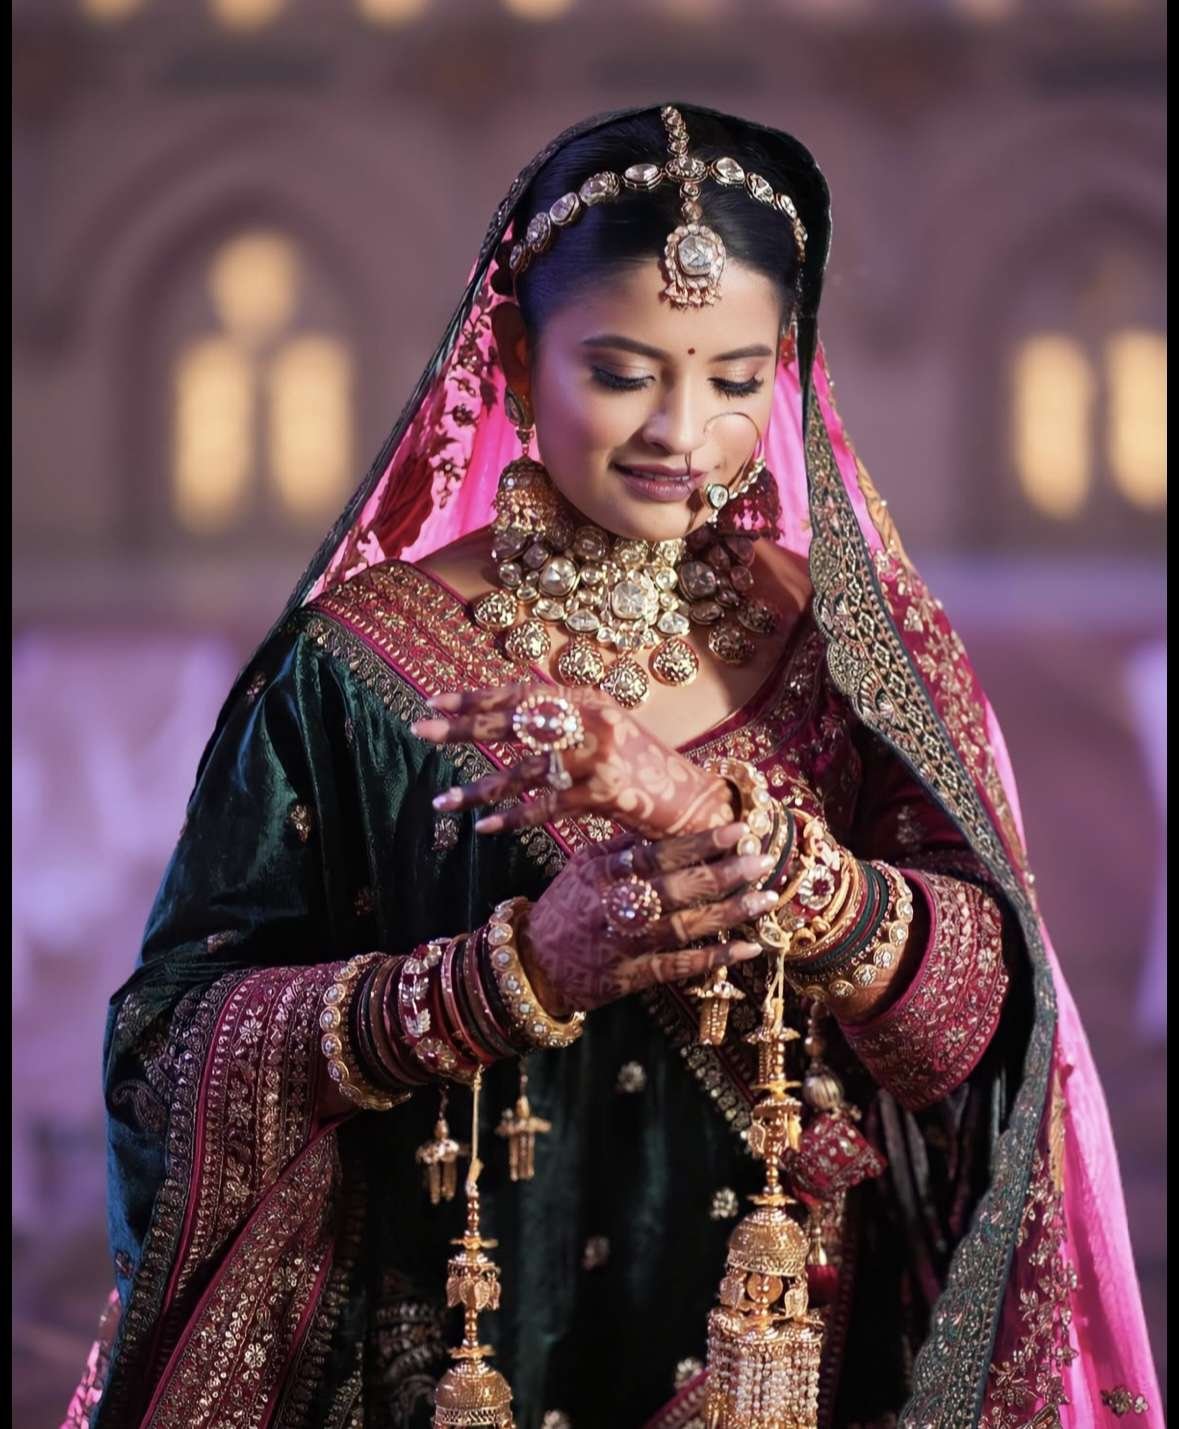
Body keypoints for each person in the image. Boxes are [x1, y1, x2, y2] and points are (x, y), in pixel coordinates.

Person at [65, 104, 1160, 1429]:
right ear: (518, 359)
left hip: (789, 1359)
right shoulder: (358, 670)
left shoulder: (850, 648)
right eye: (626, 371)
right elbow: (168, 1058)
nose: (684, 433)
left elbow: (984, 1037)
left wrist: (736, 836)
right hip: (458, 1352)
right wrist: (512, 976)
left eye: (735, 380)